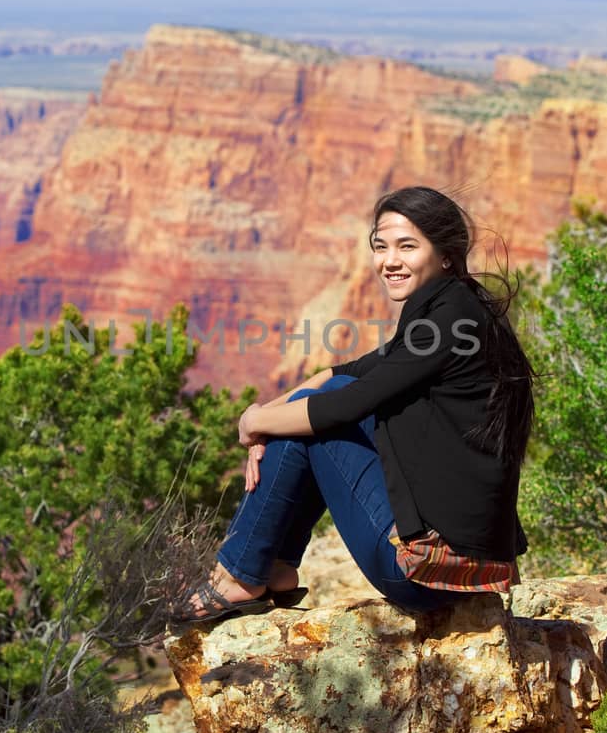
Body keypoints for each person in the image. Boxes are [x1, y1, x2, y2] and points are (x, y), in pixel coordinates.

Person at [173, 185, 536, 626]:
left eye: (407, 246)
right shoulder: (457, 308)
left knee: (316, 413)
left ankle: (240, 575)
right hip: (468, 565)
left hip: (425, 573)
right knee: (320, 396)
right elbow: (350, 372)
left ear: (445, 254)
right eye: (381, 247)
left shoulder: (446, 322)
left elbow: (341, 407)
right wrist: (265, 416)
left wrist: (255, 423)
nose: (389, 261)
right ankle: (275, 569)